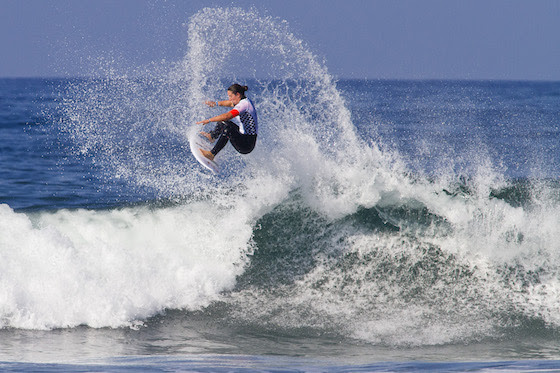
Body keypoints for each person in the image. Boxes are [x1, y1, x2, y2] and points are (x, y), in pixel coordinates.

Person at [195, 84, 258, 161]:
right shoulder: (243, 100)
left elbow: (227, 116)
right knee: (224, 122)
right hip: (243, 136)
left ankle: (211, 154)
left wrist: (208, 120)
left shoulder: (244, 105)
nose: (229, 99)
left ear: (238, 94)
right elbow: (230, 103)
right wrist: (215, 103)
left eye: (231, 96)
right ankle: (212, 136)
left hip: (246, 145)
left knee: (228, 129)